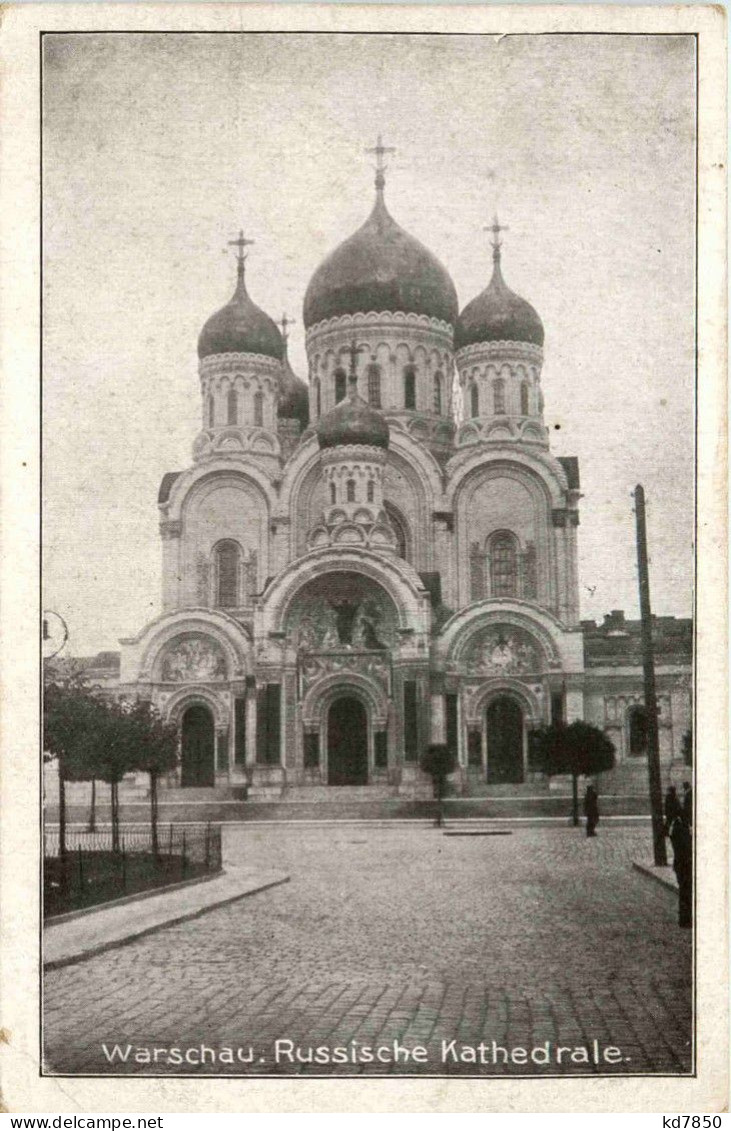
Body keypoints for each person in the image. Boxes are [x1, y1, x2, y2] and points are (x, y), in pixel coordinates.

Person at [668, 812, 692, 928]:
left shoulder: (675, 827)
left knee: (684, 891)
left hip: (680, 864)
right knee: (686, 891)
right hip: (684, 864)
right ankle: (686, 919)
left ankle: (684, 919)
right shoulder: (680, 829)